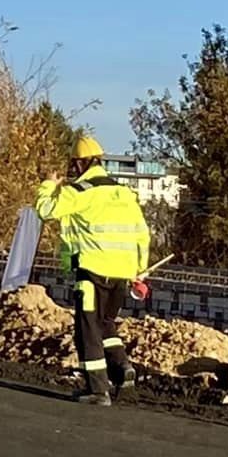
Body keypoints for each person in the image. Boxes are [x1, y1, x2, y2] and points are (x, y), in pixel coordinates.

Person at [36, 135, 150, 406]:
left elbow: (45, 210)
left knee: (87, 330)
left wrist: (48, 185)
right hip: (122, 273)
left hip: (92, 270)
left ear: (79, 164)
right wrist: (140, 271)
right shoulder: (124, 193)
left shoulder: (80, 191)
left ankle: (99, 390)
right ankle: (123, 369)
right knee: (105, 323)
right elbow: (142, 234)